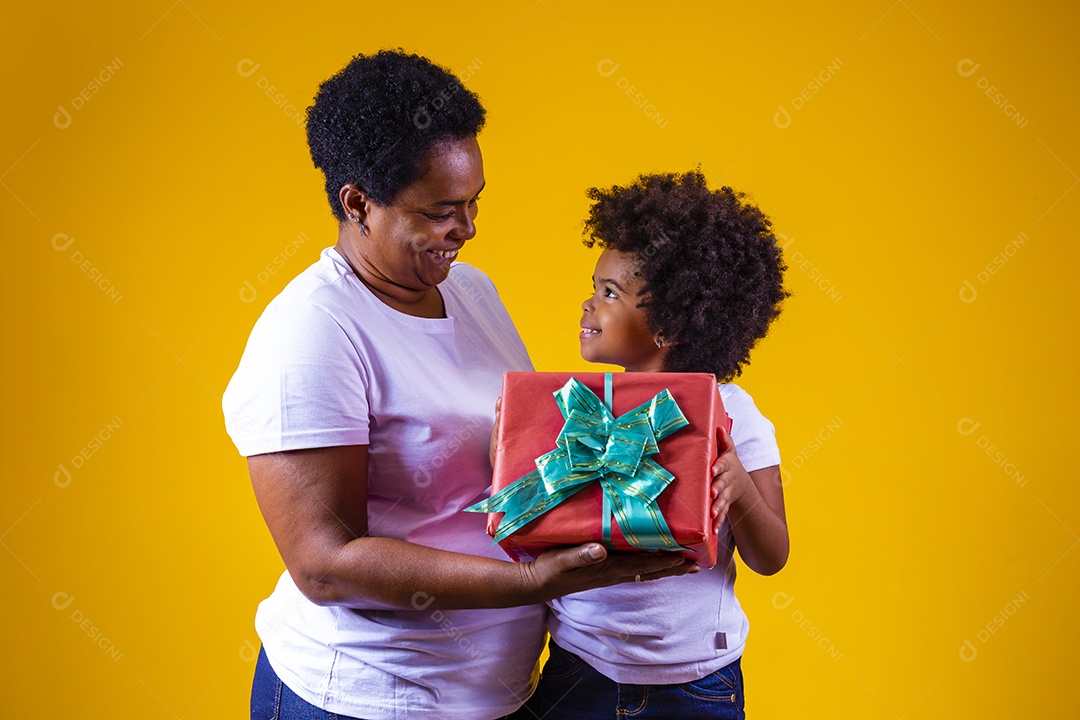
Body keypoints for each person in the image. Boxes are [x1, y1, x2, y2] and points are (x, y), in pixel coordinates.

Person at [221, 50, 697, 720]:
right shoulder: (312, 333)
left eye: (475, 202)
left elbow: (514, 468)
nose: (467, 230)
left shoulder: (471, 293)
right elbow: (324, 564)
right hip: (367, 698)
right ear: (358, 202)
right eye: (441, 211)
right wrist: (528, 581)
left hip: (494, 695)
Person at [530, 169, 790, 719]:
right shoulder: (577, 406)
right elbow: (537, 522)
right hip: (580, 667)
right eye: (593, 287)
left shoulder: (734, 413)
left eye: (609, 293)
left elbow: (773, 556)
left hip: (696, 682)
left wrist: (739, 489)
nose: (587, 304)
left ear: (668, 327)